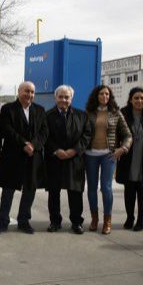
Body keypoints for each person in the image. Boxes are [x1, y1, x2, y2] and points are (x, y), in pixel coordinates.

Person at [0, 81, 48, 235]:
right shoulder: (7, 109)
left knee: (30, 190)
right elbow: (6, 129)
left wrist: (34, 145)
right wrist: (24, 144)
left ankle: (24, 221)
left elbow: (44, 132)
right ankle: (3, 222)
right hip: (12, 156)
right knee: (8, 190)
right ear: (19, 91)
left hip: (33, 157)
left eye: (31, 92)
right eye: (26, 91)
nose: (29, 95)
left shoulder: (40, 110)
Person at [84, 85, 132, 235]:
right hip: (90, 155)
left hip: (108, 155)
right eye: (101, 94)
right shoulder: (88, 113)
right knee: (91, 188)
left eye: (107, 94)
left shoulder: (116, 113)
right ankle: (94, 219)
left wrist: (122, 149)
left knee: (106, 188)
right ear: (96, 96)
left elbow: (128, 135)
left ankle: (107, 221)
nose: (104, 96)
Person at [44, 85, 92, 234]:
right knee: (54, 193)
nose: (63, 100)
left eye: (67, 97)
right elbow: (45, 136)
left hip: (74, 160)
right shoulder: (47, 116)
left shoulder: (82, 115)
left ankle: (76, 222)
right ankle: (55, 221)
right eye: (61, 97)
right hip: (54, 159)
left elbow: (87, 136)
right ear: (55, 98)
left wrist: (74, 151)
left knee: (75, 192)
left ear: (71, 99)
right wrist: (56, 150)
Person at [116, 87, 143, 231]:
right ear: (130, 100)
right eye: (136, 98)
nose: (139, 101)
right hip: (128, 157)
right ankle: (130, 217)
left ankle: (141, 219)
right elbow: (116, 133)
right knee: (129, 190)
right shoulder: (123, 114)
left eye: (142, 98)